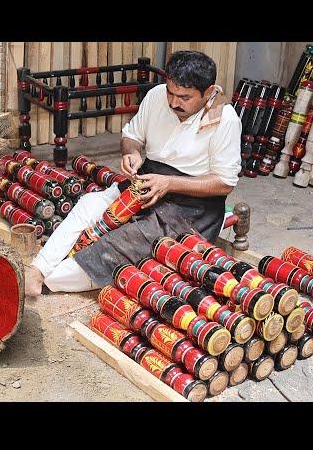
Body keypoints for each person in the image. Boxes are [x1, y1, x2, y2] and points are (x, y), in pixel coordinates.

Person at [25, 50, 242, 297]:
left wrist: (169, 184)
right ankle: (38, 269)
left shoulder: (225, 121)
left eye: (184, 97)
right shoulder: (156, 97)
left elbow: (224, 183)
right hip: (148, 182)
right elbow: (131, 136)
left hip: (191, 208)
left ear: (207, 92)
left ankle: (51, 281)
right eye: (170, 92)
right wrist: (132, 153)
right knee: (90, 204)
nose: (173, 102)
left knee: (122, 244)